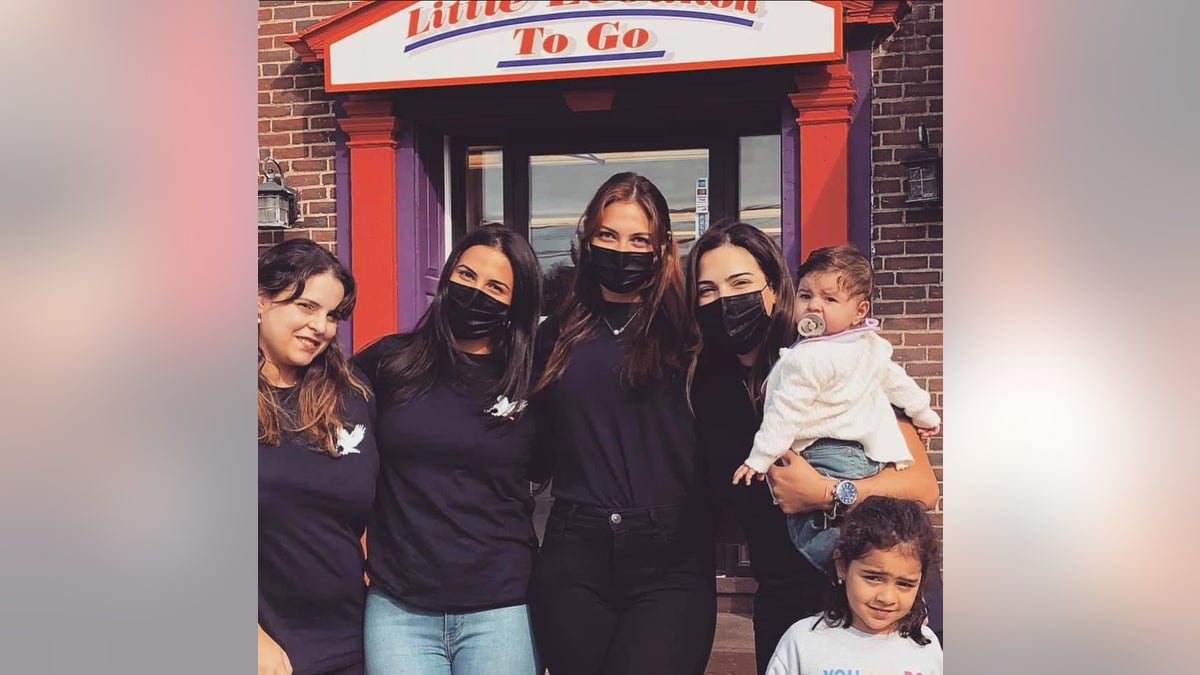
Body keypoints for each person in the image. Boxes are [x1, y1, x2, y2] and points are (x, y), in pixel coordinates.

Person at [686, 221, 940, 675]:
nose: (724, 300)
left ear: (773, 288)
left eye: (740, 282)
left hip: (874, 600)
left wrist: (827, 491)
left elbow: (922, 487)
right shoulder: (705, 389)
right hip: (783, 606)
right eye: (707, 289)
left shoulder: (832, 355)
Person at [528, 172, 716, 675]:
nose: (622, 250)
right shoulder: (558, 332)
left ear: (661, 250)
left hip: (670, 554)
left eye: (639, 240)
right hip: (574, 549)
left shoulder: (691, 331)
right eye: (608, 236)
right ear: (587, 237)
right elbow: (532, 443)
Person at [353, 224, 543, 675]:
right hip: (399, 606)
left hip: (499, 605)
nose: (476, 293)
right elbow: (314, 410)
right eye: (467, 275)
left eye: (496, 286)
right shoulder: (388, 362)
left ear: (516, 305)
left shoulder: (533, 379)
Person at [731, 244, 941, 576]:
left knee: (812, 534)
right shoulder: (869, 346)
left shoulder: (805, 358)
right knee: (870, 529)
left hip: (824, 455)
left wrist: (759, 458)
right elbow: (899, 384)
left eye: (829, 299)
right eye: (805, 296)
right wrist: (925, 415)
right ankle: (880, 576)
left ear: (860, 310)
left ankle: (853, 580)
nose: (814, 305)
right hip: (865, 458)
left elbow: (784, 414)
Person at [258, 238, 379, 675]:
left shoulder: (353, 394)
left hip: (351, 640)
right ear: (260, 301)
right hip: (266, 647)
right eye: (306, 306)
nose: (321, 326)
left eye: (332, 315)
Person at [764, 496, 942, 675]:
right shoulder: (802, 642)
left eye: (904, 584)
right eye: (873, 578)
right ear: (842, 566)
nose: (887, 598)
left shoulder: (926, 647)